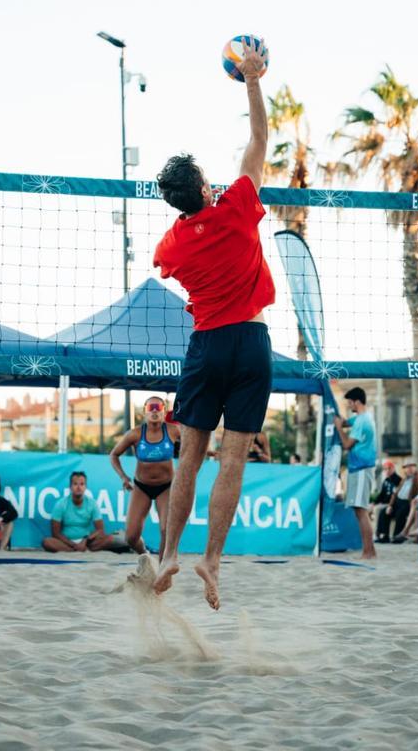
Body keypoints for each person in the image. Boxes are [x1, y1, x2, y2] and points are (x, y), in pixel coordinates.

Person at [149, 39, 273, 609]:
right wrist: (251, 80)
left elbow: (173, 268)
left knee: (190, 456)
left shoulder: (171, 244)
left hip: (206, 346)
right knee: (235, 456)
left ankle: (170, 552)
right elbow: (258, 141)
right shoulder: (240, 205)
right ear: (204, 189)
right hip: (250, 340)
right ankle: (213, 560)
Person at [109, 396, 181, 556]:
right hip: (141, 487)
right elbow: (114, 455)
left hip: (167, 486)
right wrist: (124, 477)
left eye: (158, 407)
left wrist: (210, 453)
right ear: (144, 412)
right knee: (131, 537)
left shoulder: (173, 430)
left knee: (166, 530)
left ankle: (163, 569)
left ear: (164, 410)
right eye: (151, 407)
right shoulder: (134, 434)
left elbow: (193, 445)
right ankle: (144, 554)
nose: (155, 411)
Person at [334, 387, 377, 559]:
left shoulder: (362, 422)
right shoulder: (362, 417)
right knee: (358, 510)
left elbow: (347, 444)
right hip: (358, 468)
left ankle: (369, 551)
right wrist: (341, 422)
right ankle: (369, 550)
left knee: (361, 510)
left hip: (361, 468)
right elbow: (346, 422)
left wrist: (338, 429)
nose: (348, 405)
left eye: (350, 403)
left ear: (357, 402)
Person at [43, 472, 115, 552]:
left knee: (110, 539)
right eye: (75, 484)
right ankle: (74, 550)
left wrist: (85, 540)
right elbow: (55, 533)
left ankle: (82, 549)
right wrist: (73, 544)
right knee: (47, 542)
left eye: (82, 484)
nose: (78, 487)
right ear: (70, 487)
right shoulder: (61, 504)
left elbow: (100, 530)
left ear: (85, 487)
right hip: (66, 542)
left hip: (87, 542)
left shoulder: (92, 503)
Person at [379, 461, 418, 542]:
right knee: (384, 511)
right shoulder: (404, 479)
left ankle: (397, 536)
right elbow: (395, 494)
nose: (409, 469)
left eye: (411, 467)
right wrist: (390, 505)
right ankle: (384, 536)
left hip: (408, 503)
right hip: (398, 501)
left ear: (415, 468)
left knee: (400, 513)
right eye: (407, 468)